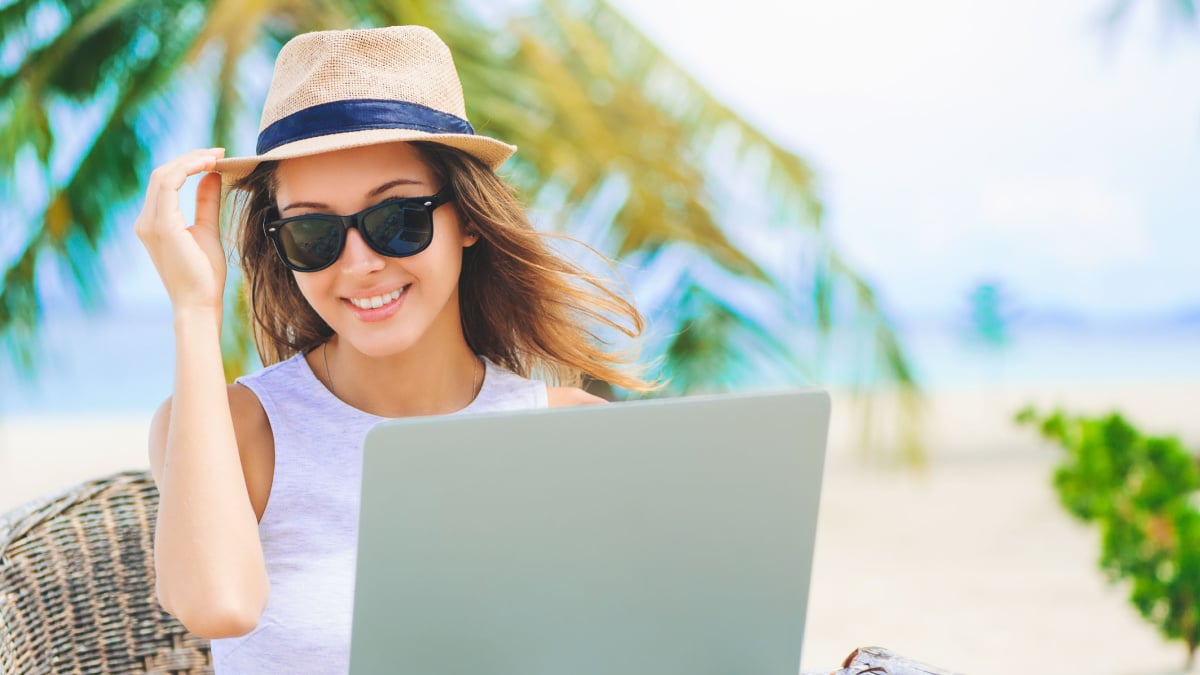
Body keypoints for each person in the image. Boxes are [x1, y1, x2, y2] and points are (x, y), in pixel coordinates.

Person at [134, 25, 649, 673]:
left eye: (397, 219)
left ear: (467, 218)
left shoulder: (575, 435)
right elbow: (217, 607)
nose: (359, 264)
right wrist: (194, 310)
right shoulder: (235, 429)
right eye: (313, 232)